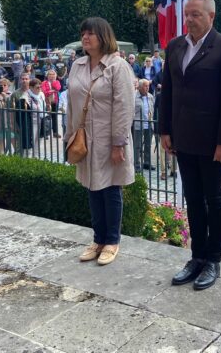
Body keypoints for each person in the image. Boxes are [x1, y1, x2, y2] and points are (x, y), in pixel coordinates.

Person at [160, 0, 221, 291]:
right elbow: (167, 92)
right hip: (183, 137)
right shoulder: (175, 46)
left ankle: (213, 260)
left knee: (215, 199)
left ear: (211, 17)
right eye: (187, 14)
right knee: (193, 199)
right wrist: (165, 130)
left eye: (195, 14)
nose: (189, 19)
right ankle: (196, 257)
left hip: (211, 141)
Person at [66, 17, 135, 266]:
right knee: (92, 188)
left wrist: (119, 143)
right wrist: (69, 135)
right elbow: (71, 103)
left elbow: (125, 108)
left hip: (108, 138)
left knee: (111, 188)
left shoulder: (118, 67)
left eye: (90, 34)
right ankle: (97, 239)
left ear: (103, 36)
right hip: (85, 138)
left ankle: (112, 241)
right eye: (83, 33)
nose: (85, 37)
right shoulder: (78, 65)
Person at [0, 77, 16, 154]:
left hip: (9, 120)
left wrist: (5, 98)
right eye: (1, 85)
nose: (3, 87)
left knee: (12, 138)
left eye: (5, 85)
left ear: (8, 86)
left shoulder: (11, 94)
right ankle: (1, 156)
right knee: (0, 140)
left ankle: (17, 155)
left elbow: (12, 106)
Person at [133, 79, 155, 171]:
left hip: (149, 123)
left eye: (148, 86)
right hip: (138, 124)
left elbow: (152, 108)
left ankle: (147, 162)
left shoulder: (150, 96)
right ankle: (136, 164)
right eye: (145, 86)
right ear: (140, 87)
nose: (147, 88)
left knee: (148, 145)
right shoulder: (134, 96)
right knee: (137, 145)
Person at [12, 73, 33, 152]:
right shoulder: (15, 93)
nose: (24, 81)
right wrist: (12, 123)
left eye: (26, 79)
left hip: (33, 119)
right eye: (23, 79)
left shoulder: (33, 91)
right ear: (20, 80)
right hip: (21, 120)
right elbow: (11, 110)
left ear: (29, 80)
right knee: (22, 141)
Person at [41, 69, 62, 137]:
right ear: (47, 75)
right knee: (46, 117)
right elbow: (44, 92)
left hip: (54, 102)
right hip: (47, 102)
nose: (51, 76)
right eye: (50, 74)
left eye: (53, 74)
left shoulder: (57, 82)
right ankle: (46, 132)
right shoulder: (44, 83)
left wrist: (53, 82)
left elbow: (58, 88)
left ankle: (55, 132)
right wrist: (53, 91)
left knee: (54, 117)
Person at [27, 78, 47, 146]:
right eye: (37, 87)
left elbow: (44, 105)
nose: (40, 89)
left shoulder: (41, 94)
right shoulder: (27, 95)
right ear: (31, 87)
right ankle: (30, 155)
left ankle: (36, 155)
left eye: (40, 87)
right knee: (33, 138)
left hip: (42, 118)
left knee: (39, 138)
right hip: (33, 120)